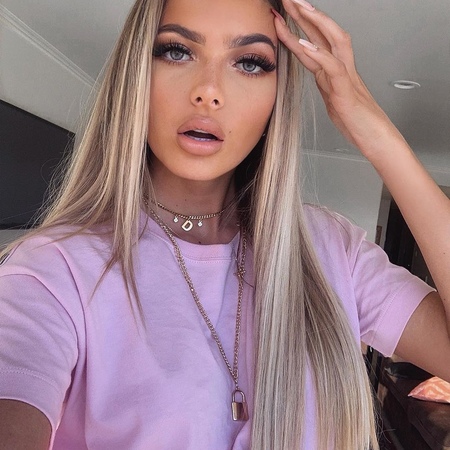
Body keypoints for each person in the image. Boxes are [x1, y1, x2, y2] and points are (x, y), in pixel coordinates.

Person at [0, 0, 449, 448]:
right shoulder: (51, 273)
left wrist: (377, 135)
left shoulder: (330, 249)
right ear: (136, 73)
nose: (209, 91)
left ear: (277, 97)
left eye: (250, 63)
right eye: (177, 51)